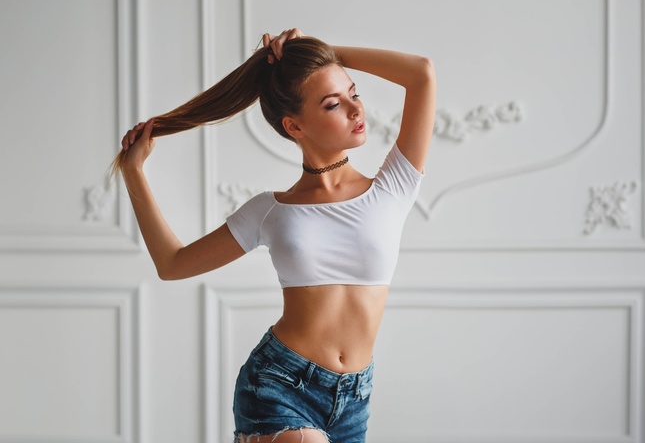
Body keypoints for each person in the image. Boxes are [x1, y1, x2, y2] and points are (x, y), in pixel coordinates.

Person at [115, 28, 436, 443]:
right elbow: (172, 264)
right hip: (280, 385)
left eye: (354, 93)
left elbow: (422, 74)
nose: (356, 110)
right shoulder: (269, 210)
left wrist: (317, 54)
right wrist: (133, 172)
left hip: (355, 401)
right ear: (294, 125)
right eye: (334, 104)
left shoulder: (394, 185)